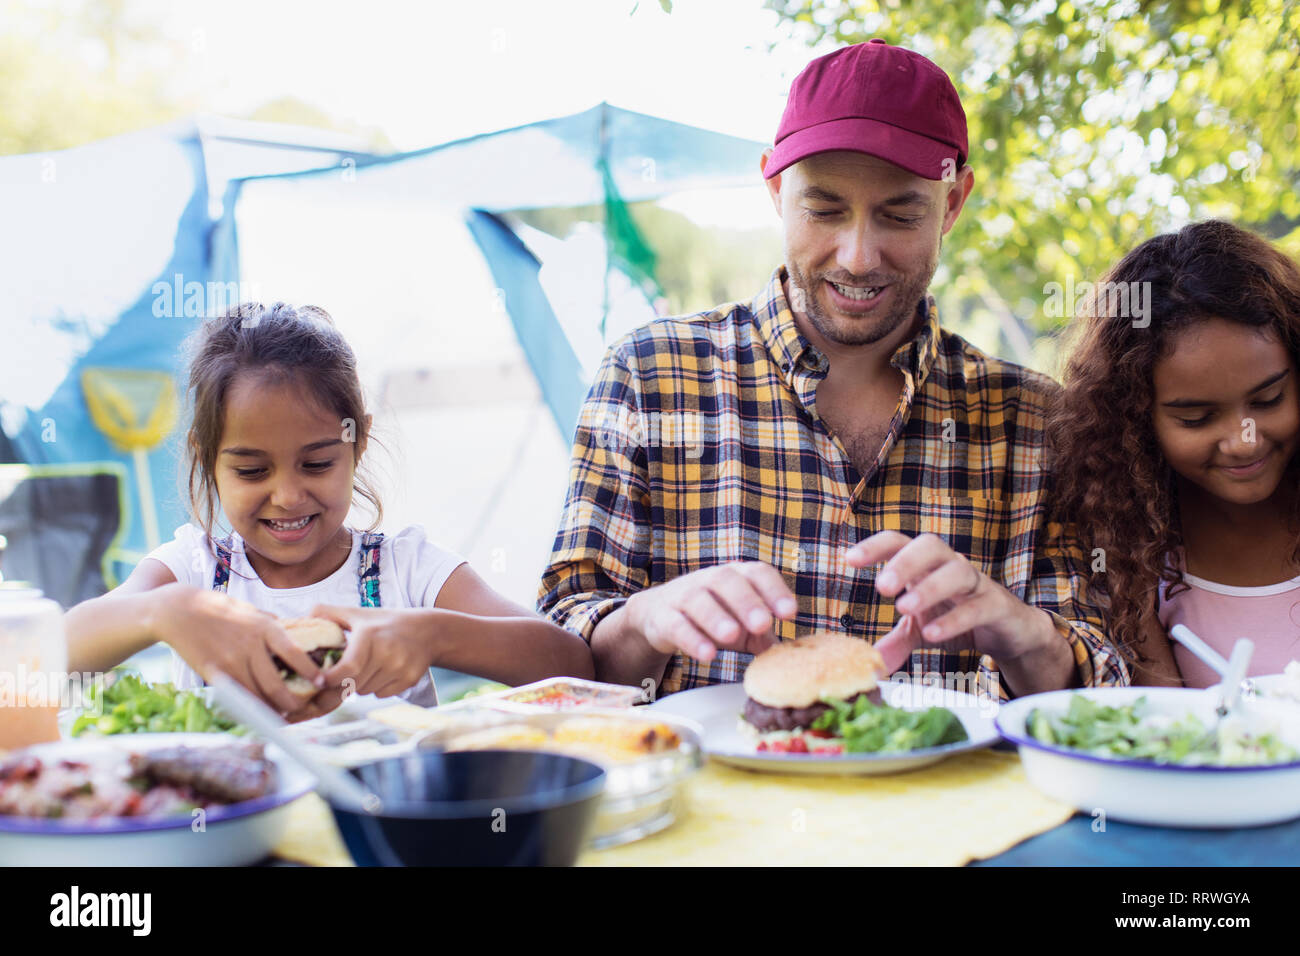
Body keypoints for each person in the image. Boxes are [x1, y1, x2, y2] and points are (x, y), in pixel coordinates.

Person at [539, 39, 1127, 700]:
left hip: (954, 803)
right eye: (823, 210)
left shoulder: (1036, 423)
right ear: (774, 188)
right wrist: (645, 619)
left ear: (954, 202)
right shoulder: (648, 378)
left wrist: (1019, 631)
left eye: (901, 215)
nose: (857, 256)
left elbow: (1095, 689)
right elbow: (566, 663)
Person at [67, 302, 593, 718]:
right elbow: (48, 657)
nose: (288, 496)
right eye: (251, 471)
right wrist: (162, 612)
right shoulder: (192, 570)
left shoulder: (406, 570)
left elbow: (573, 664)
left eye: (316, 464)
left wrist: (435, 635)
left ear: (357, 441)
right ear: (208, 461)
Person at [1048, 220, 1300, 687]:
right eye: (1196, 418)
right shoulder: (1132, 556)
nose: (1243, 440)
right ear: (1136, 421)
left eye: (1268, 401)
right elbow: (1173, 737)